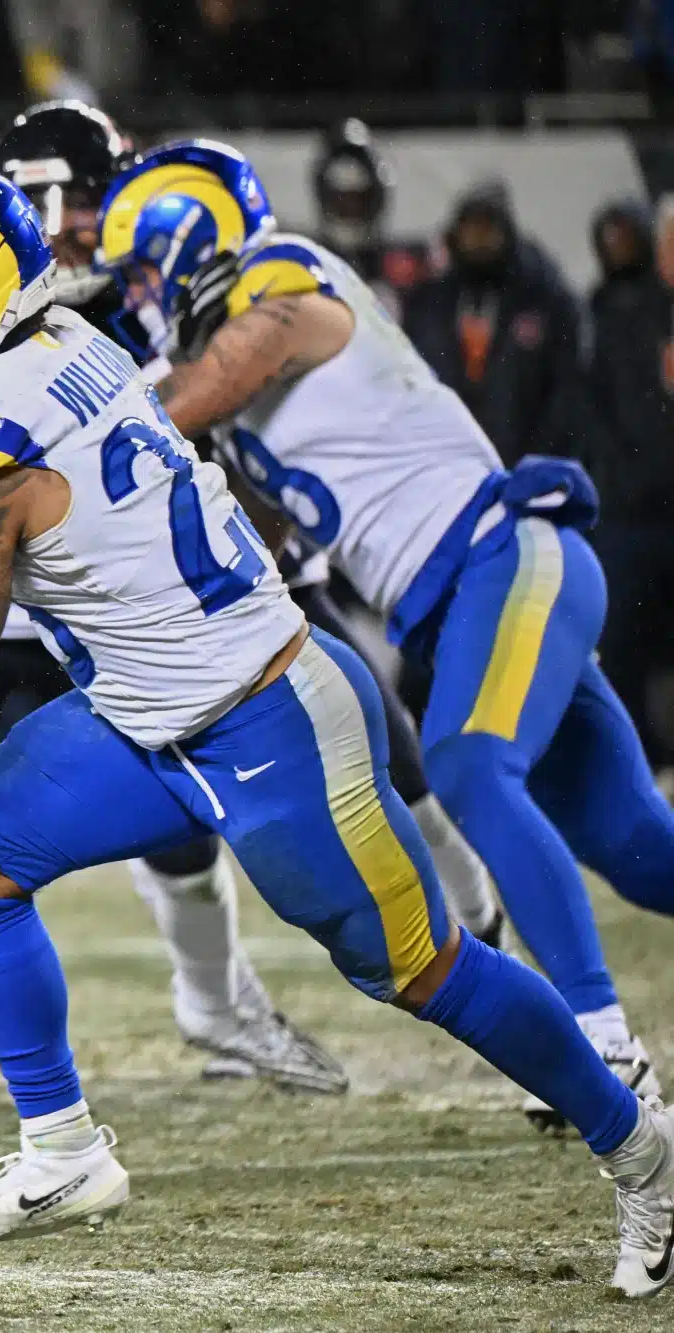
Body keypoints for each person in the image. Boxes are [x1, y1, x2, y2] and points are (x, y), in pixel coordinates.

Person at [0, 162, 674, 1299]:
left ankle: (640, 1151)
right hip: (146, 708)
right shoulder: (71, 345)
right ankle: (62, 1151)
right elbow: (36, 499)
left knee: (424, 971)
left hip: (264, 719)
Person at [95, 139, 673, 1136]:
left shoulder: (285, 279)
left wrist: (73, 417)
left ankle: (601, 1043)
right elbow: (251, 524)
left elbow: (216, 375)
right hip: (461, 607)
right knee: (632, 845)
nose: (139, 295)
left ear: (185, 247)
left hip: (504, 556)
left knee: (463, 764)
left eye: (143, 270)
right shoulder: (230, 397)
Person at [0, 101, 351, 1101]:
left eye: (86, 197)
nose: (73, 221)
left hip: (97, 602)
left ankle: (214, 1000)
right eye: (45, 200)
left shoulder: (145, 296)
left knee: (178, 821)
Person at [402, 179, 597, 466]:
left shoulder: (543, 298)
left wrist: (543, 461)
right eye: (470, 229)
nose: (479, 240)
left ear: (507, 233)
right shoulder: (432, 302)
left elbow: (568, 391)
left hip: (525, 466)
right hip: (447, 469)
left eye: (487, 229)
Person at [583, 198, 674, 769]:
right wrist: (621, 476)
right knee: (618, 646)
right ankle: (635, 761)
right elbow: (591, 405)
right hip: (635, 512)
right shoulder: (619, 311)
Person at [309, 119, 433, 322]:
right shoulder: (308, 260)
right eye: (341, 200)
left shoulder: (406, 267)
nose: (350, 210)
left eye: (357, 200)